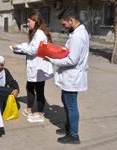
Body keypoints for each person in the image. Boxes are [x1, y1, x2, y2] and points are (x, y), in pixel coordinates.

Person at [45, 7, 89, 144]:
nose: (63, 27)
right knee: (66, 101)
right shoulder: (77, 33)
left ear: (71, 20)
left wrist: (52, 59)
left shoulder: (77, 36)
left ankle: (74, 135)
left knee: (71, 105)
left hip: (73, 76)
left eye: (64, 24)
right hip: (71, 75)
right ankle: (69, 128)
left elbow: (72, 60)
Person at [11, 9, 54, 123]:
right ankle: (30, 109)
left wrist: (20, 48)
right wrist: (18, 46)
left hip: (39, 67)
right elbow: (30, 45)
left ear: (36, 21)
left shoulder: (39, 33)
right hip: (35, 66)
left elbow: (32, 50)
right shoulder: (36, 33)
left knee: (39, 90)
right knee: (30, 87)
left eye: (29, 21)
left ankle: (40, 113)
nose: (28, 23)